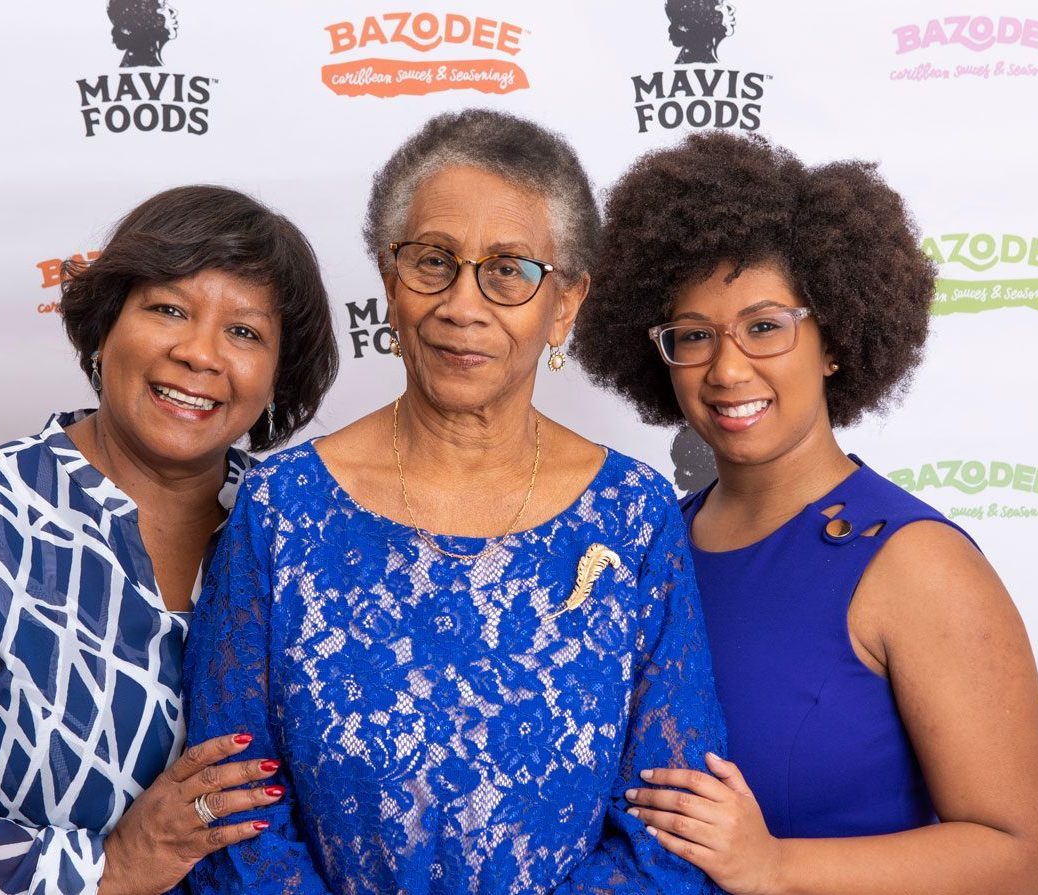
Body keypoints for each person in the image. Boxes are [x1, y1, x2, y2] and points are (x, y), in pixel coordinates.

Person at [182, 109, 728, 895]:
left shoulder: (633, 515)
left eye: (508, 268)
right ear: (389, 280)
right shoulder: (282, 507)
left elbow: (672, 825)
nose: (462, 304)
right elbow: (229, 816)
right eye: (433, 261)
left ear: (565, 303)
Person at [0, 185, 339, 895]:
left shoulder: (303, 533)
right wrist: (101, 869)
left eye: (246, 332)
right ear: (106, 325)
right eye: (169, 308)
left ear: (278, 376)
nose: (200, 353)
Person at [572, 132, 1038, 895]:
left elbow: (1022, 855)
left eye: (765, 326)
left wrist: (777, 866)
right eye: (694, 336)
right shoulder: (652, 546)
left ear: (831, 337)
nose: (728, 367)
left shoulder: (915, 562)